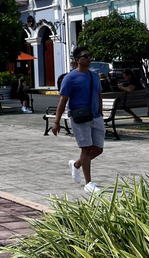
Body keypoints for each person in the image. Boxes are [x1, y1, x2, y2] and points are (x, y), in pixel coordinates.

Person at [53, 46, 104, 194]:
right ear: (77, 60)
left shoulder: (94, 76)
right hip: (79, 117)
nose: (88, 58)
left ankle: (76, 165)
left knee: (98, 149)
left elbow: (99, 94)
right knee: (86, 149)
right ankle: (89, 183)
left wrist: (100, 113)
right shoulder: (70, 78)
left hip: (95, 117)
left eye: (89, 56)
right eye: (85, 56)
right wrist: (56, 122)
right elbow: (63, 100)